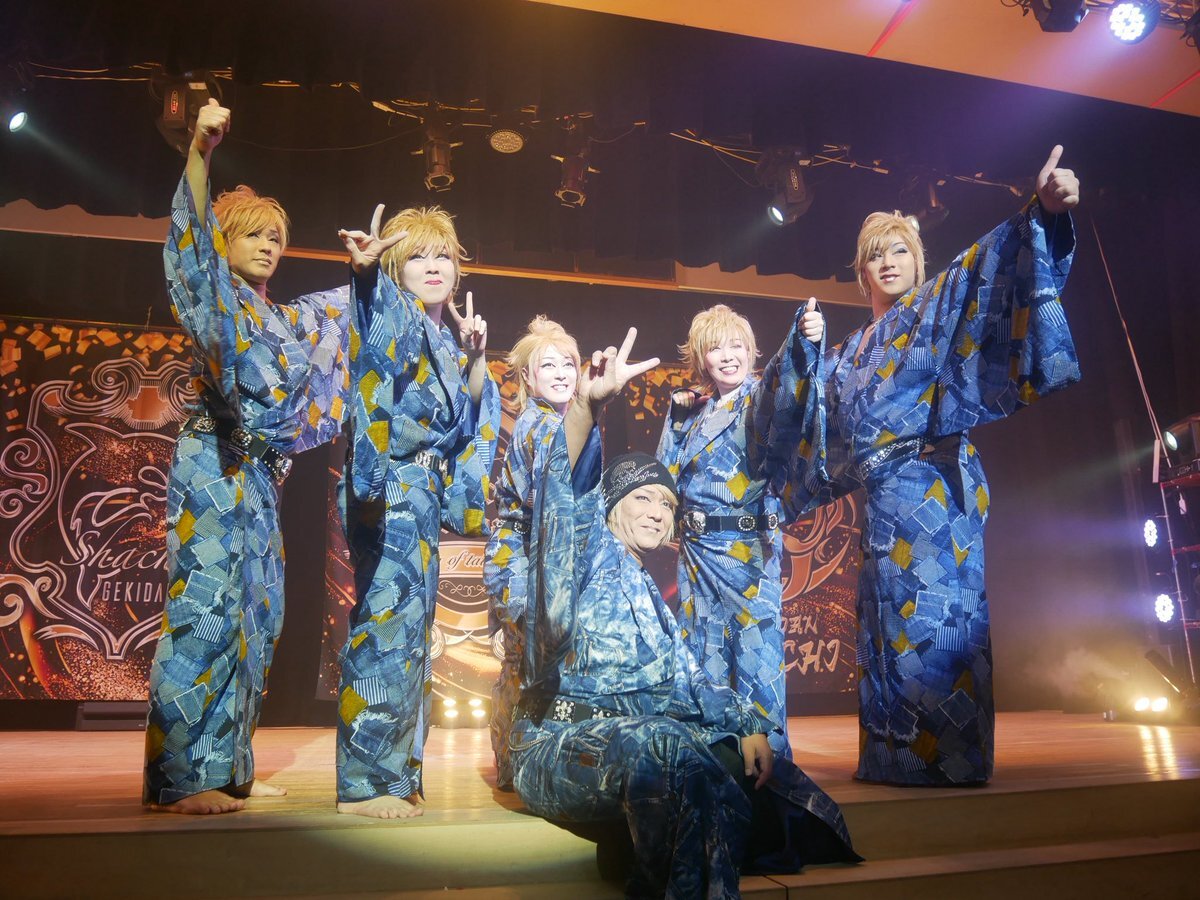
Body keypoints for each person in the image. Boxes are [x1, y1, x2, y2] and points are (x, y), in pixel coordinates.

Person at [511, 330, 858, 898]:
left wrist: (746, 721)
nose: (656, 512)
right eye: (643, 498)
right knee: (667, 749)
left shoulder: (653, 598)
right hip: (561, 743)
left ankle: (642, 851)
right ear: (610, 506)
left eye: (667, 504)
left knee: (754, 771)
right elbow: (564, 490)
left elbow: (692, 680)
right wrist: (586, 407)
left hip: (634, 744)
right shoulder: (582, 549)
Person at [819, 145, 1082, 785]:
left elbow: (992, 268)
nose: (888, 261)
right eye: (875, 254)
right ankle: (890, 757)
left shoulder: (935, 308)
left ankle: (951, 762)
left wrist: (1043, 216)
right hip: (881, 506)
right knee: (885, 625)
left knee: (941, 620)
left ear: (919, 261)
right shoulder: (847, 352)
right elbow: (807, 419)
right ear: (860, 271)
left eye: (899, 249)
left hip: (935, 490)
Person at [145, 99, 350, 813]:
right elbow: (190, 248)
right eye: (253, 234)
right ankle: (181, 778)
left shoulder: (284, 319)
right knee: (205, 606)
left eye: (276, 237)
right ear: (225, 239)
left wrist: (371, 272)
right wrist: (201, 153)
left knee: (256, 614)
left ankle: (228, 766)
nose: (268, 246)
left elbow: (342, 317)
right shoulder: (219, 296)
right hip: (213, 462)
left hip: (262, 476)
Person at [336, 203, 501, 818]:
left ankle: (397, 772)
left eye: (444, 256)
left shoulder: (444, 340)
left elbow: (464, 427)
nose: (435, 267)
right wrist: (365, 275)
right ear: (396, 268)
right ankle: (364, 785)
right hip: (395, 488)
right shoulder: (396, 311)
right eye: (419, 256)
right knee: (386, 628)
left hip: (424, 496)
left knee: (410, 634)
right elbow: (370, 330)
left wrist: (475, 358)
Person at [657, 300, 826, 757]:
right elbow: (664, 476)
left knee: (756, 656)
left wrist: (803, 341)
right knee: (703, 657)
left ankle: (773, 770)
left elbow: (787, 391)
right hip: (696, 555)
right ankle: (714, 762)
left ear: (752, 351)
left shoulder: (758, 399)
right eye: (715, 348)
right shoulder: (695, 413)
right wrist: (675, 422)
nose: (727, 356)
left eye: (736, 345)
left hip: (747, 551)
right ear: (701, 358)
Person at [483, 316, 600, 791]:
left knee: (528, 664)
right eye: (547, 365)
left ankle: (519, 761)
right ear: (528, 379)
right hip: (524, 558)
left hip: (534, 555)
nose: (560, 373)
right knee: (526, 664)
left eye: (568, 364)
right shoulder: (543, 424)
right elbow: (554, 498)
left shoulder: (559, 421)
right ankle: (519, 762)